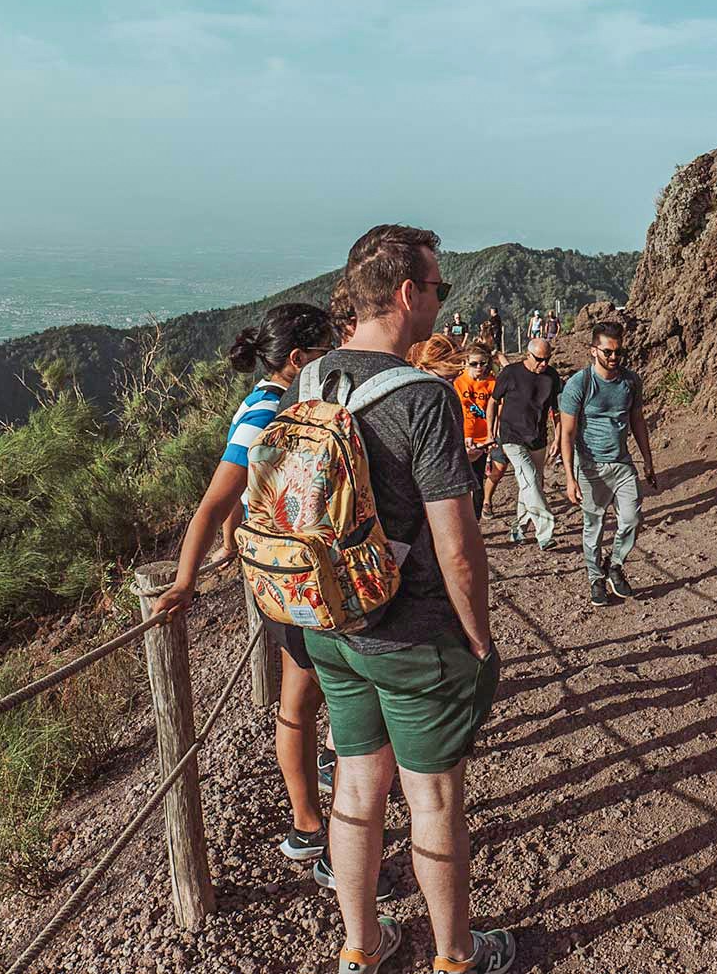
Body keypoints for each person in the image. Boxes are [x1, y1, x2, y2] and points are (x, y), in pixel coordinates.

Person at [279, 224, 515, 974]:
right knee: (434, 800)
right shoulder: (425, 399)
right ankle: (454, 956)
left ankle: (362, 945)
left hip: (328, 627)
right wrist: (477, 637)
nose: (442, 304)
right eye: (440, 289)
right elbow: (457, 546)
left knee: (356, 780)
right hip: (412, 637)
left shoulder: (307, 381)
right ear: (409, 294)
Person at [151, 304, 337, 863]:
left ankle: (315, 810)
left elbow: (242, 489)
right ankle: (310, 824)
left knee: (306, 694)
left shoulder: (260, 399)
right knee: (300, 698)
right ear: (300, 359)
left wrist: (233, 538)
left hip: (294, 574)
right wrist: (186, 579)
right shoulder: (271, 413)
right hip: (299, 581)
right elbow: (216, 498)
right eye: (328, 346)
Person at [560, 321, 658, 608]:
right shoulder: (579, 384)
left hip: (623, 463)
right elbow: (566, 432)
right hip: (590, 466)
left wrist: (648, 460)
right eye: (607, 352)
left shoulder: (630, 382)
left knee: (631, 518)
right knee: (594, 525)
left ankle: (614, 564)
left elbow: (637, 421)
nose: (614, 357)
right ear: (593, 351)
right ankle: (595, 578)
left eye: (618, 352)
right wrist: (569, 476)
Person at [486, 337, 561, 547]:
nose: (543, 364)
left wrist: (558, 437)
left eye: (547, 359)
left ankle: (518, 530)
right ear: (529, 355)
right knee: (528, 478)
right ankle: (545, 533)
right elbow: (493, 401)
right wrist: (490, 431)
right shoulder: (510, 373)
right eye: (539, 359)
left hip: (538, 438)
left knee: (532, 484)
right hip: (511, 436)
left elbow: (556, 411)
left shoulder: (552, 376)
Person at [447, 346, 498, 519]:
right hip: (462, 436)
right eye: (474, 363)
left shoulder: (492, 383)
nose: (478, 367)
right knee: (459, 480)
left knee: (477, 480)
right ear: (465, 363)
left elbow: (498, 410)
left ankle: (475, 520)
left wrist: (492, 436)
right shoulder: (458, 383)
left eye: (482, 363)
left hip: (483, 437)